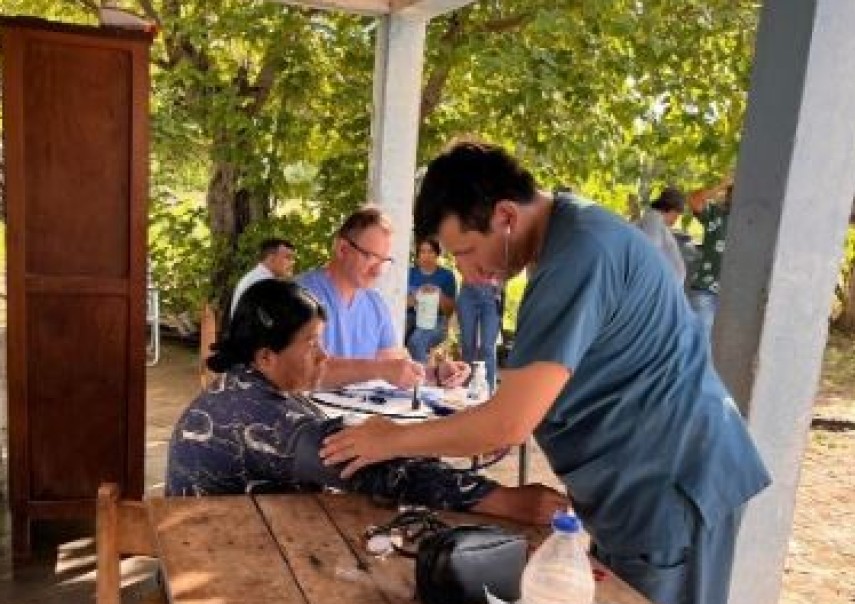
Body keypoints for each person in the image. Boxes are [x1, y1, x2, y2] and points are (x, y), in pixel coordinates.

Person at [321, 140, 771, 604]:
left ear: (506, 215)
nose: (468, 272)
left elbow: (507, 423)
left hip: (673, 487)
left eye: (466, 252)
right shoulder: (569, 241)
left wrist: (389, 439)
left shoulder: (578, 254)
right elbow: (544, 395)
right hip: (639, 490)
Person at [166, 278, 565, 527]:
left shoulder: (247, 386)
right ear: (266, 356)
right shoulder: (257, 413)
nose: (323, 356)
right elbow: (373, 469)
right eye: (310, 344)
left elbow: (369, 450)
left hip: (229, 547)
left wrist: (398, 441)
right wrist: (502, 500)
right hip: (217, 568)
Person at [297, 205, 468, 389]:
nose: (378, 270)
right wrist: (379, 369)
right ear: (342, 249)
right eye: (371, 257)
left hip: (359, 413)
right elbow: (302, 370)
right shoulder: (300, 295)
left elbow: (393, 367)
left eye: (384, 261)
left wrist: (435, 374)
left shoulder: (375, 303)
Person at [687, 176, 733, 341]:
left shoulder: (757, 222)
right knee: (698, 344)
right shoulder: (715, 214)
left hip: (737, 297)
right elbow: (693, 200)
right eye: (732, 191)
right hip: (706, 291)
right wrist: (722, 184)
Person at [405, 237, 457, 363]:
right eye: (422, 252)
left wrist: (439, 294)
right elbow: (401, 304)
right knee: (393, 335)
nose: (426, 256)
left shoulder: (447, 276)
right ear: (418, 255)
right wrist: (417, 295)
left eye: (430, 252)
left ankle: (420, 378)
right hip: (411, 316)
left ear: (437, 254)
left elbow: (449, 312)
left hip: (437, 321)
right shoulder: (409, 274)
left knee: (416, 342)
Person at [228, 237, 296, 321]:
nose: (292, 263)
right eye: (288, 257)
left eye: (293, 259)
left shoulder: (256, 277)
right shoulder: (263, 283)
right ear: (271, 258)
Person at [456, 280, 503, 392]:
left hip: (492, 294)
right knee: (467, 346)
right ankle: (465, 391)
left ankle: (489, 393)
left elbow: (511, 267)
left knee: (487, 347)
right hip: (468, 291)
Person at [636, 187, 686, 287]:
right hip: (658, 286)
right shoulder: (654, 219)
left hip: (664, 286)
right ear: (670, 209)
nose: (676, 219)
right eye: (676, 214)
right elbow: (651, 251)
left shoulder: (657, 221)